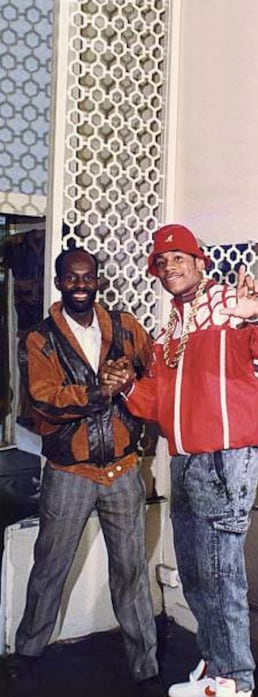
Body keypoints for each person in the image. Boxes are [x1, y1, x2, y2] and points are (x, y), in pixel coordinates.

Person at [101, 224, 258, 697]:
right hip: (187, 456)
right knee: (195, 570)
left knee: (220, 570)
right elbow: (159, 403)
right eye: (162, 262)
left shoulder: (230, 306)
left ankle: (234, 678)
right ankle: (217, 663)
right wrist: (127, 386)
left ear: (200, 262)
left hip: (225, 454)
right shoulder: (171, 325)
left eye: (179, 258)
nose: (169, 267)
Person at [2, 246, 165, 696]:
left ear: (98, 280)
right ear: (59, 282)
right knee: (50, 566)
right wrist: (100, 390)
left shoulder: (126, 327)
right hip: (68, 471)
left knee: (131, 570)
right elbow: (44, 397)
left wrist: (130, 374)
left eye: (87, 277)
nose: (80, 285)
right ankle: (28, 651)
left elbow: (155, 372)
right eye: (71, 278)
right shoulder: (40, 338)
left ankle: (145, 666)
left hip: (123, 470)